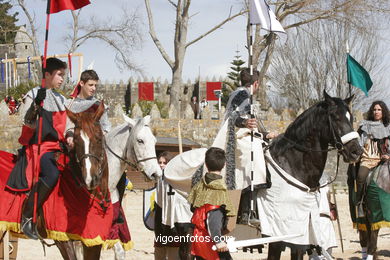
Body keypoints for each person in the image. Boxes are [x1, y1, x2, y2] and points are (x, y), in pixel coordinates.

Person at [10, 57, 69, 240]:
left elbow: (67, 128)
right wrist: (36, 106)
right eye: (59, 75)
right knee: (51, 174)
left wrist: (72, 137)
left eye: (63, 75)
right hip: (39, 148)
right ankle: (28, 215)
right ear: (47, 75)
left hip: (59, 148)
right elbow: (27, 124)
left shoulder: (62, 99)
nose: (62, 79)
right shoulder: (33, 94)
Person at [222, 68, 277, 224]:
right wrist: (244, 122)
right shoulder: (242, 94)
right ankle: (247, 212)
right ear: (256, 83)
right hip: (238, 139)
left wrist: (265, 134)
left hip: (247, 136)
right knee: (255, 164)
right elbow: (231, 117)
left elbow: (252, 122)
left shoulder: (246, 95)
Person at [187, 147, 235, 260]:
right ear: (224, 165)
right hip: (210, 241)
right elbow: (213, 218)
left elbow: (193, 209)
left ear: (206, 164)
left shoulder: (199, 186)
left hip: (199, 239)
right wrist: (218, 241)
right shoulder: (218, 190)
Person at [65, 69, 111, 148]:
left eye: (95, 85)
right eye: (91, 85)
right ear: (82, 83)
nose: (94, 88)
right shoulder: (70, 104)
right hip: (74, 146)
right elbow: (68, 127)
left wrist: (98, 135)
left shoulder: (98, 105)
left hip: (94, 149)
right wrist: (70, 136)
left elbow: (106, 128)